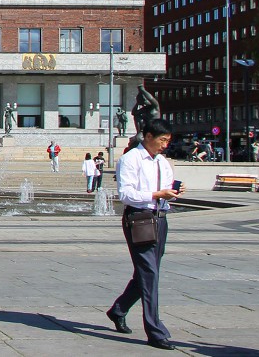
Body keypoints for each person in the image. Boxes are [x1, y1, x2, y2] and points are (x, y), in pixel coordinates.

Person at [107, 118, 182, 350]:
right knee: (149, 274)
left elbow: (164, 190)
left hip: (160, 218)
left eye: (168, 141)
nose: (165, 145)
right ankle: (155, 330)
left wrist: (171, 193)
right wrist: (156, 194)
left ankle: (118, 309)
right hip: (139, 219)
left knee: (148, 272)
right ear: (147, 136)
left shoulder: (162, 162)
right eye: (162, 140)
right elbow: (126, 195)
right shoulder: (131, 159)